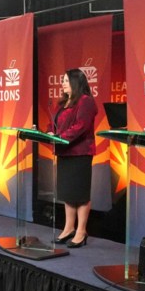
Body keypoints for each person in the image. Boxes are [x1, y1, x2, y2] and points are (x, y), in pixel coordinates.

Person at [47, 69, 98, 248]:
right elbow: (53, 125)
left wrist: (60, 138)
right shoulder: (63, 103)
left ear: (76, 82)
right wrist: (49, 134)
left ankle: (81, 231)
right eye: (63, 80)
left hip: (80, 153)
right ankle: (68, 228)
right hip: (64, 153)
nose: (62, 83)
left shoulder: (86, 101)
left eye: (66, 80)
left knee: (80, 194)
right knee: (68, 193)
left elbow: (81, 126)